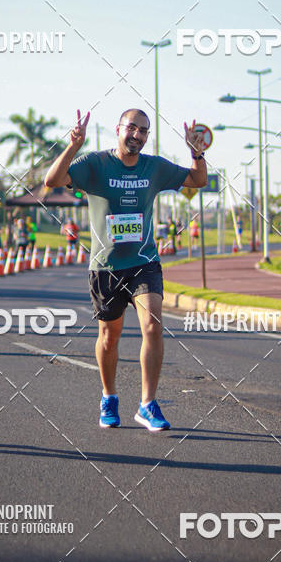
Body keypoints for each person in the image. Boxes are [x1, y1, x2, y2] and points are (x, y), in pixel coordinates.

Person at [44, 108, 207, 432]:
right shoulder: (95, 164)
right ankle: (109, 397)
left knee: (153, 326)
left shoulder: (155, 167)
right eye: (132, 128)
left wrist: (196, 154)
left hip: (144, 262)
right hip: (106, 267)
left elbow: (197, 180)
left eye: (144, 131)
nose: (137, 134)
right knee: (109, 336)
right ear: (118, 129)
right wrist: (73, 145)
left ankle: (147, 404)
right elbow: (52, 181)